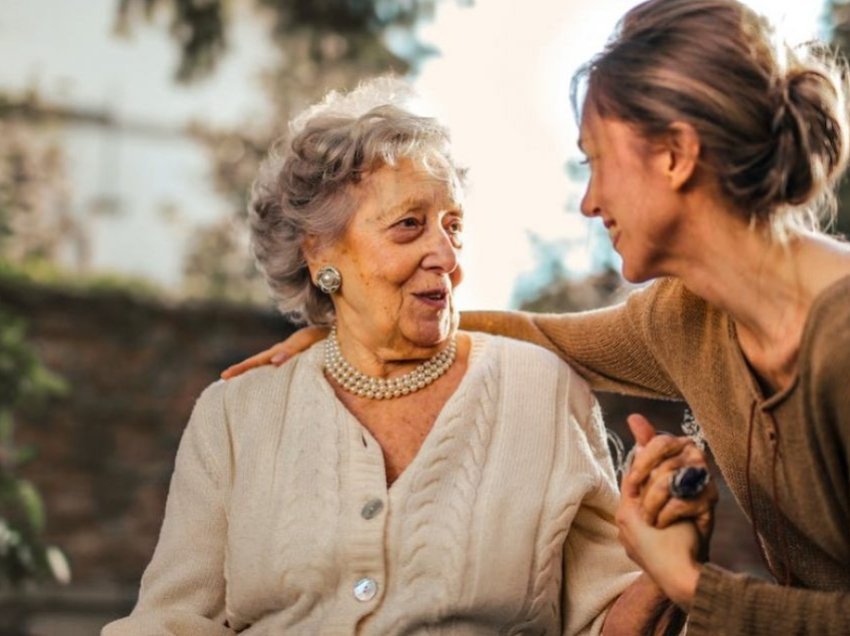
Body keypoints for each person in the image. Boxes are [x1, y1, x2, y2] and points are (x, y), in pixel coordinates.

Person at [223, 1, 850, 633]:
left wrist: (690, 582)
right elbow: (540, 336)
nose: (589, 200)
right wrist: (355, 320)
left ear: (675, 155)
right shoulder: (686, 318)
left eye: (596, 160)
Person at [103, 79, 687, 635]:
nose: (445, 254)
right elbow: (172, 621)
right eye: (409, 226)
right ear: (320, 251)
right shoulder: (235, 415)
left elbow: (607, 623)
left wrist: (668, 571)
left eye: (453, 226)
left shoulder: (543, 392)